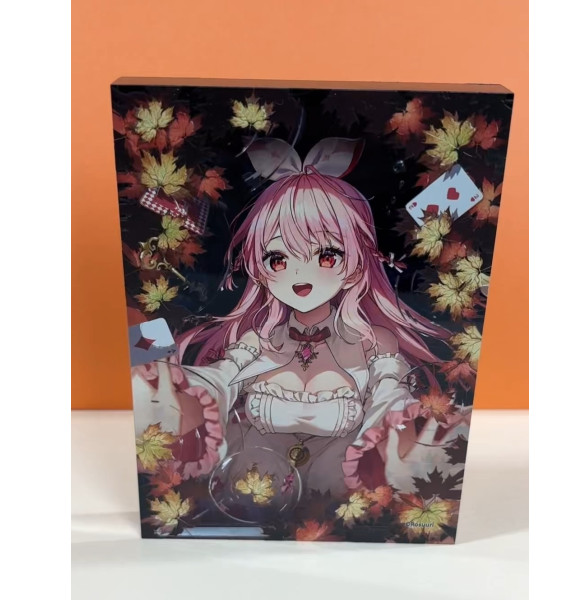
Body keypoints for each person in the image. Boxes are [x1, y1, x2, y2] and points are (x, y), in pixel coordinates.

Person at [133, 137, 459, 499]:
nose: (300, 275)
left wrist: (411, 439)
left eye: (326, 256)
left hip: (337, 487)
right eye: (278, 259)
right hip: (253, 479)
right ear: (259, 270)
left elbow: (389, 402)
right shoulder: (257, 341)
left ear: (355, 266)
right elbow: (216, 382)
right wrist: (162, 386)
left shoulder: (373, 342)